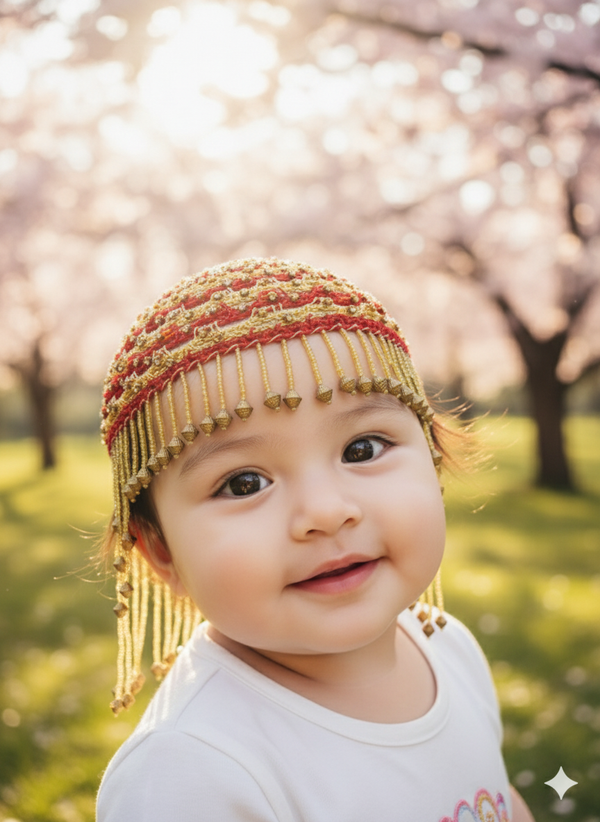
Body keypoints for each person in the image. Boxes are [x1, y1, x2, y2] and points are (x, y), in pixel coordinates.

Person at [96, 257, 535, 821]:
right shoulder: (190, 773)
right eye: (243, 483)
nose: (326, 513)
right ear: (160, 551)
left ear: (432, 458)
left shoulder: (450, 649)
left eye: (363, 449)